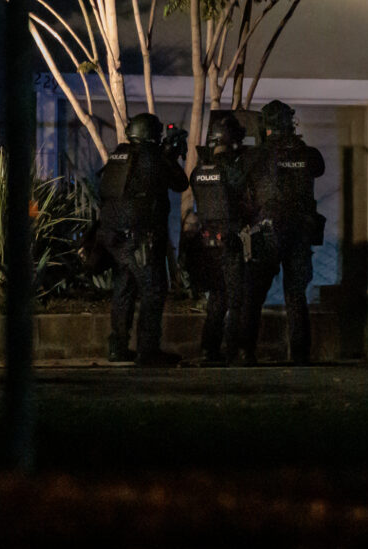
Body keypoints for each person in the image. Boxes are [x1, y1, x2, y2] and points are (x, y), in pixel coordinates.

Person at [97, 112, 188, 366]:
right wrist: (171, 156)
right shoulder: (153, 157)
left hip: (113, 237)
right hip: (140, 237)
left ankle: (117, 346)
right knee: (153, 290)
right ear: (151, 135)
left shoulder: (119, 155)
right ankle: (148, 351)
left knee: (124, 288)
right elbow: (180, 183)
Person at [242, 100, 325, 364]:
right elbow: (317, 168)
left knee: (253, 295)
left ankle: (245, 353)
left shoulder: (255, 155)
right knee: (296, 295)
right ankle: (299, 355)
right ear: (290, 123)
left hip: (267, 232)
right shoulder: (308, 154)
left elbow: (235, 182)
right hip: (300, 232)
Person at [185, 114, 248, 365]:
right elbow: (243, 190)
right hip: (230, 239)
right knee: (236, 299)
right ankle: (234, 350)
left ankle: (208, 349)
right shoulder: (231, 169)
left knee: (217, 298)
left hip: (207, 241)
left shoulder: (199, 170)